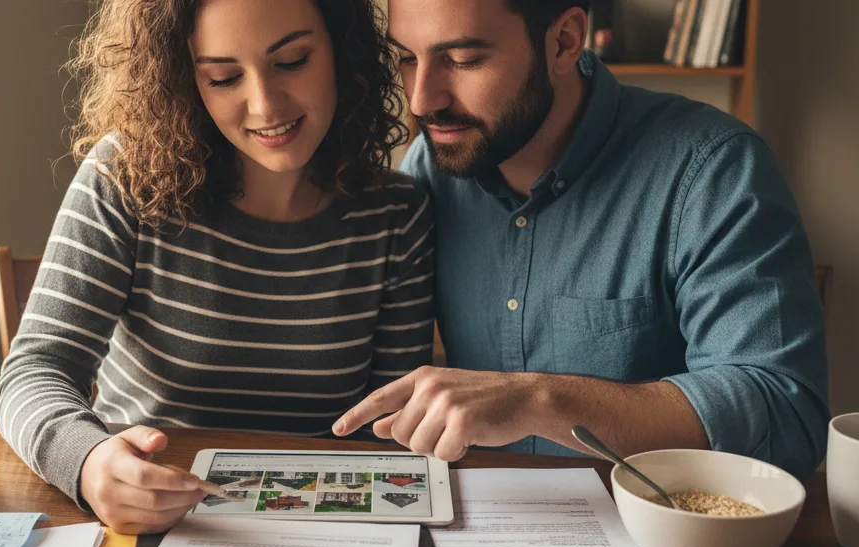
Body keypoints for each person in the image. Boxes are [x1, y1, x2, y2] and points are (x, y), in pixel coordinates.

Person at [334, 0, 829, 479]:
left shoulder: (711, 169)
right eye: (405, 57)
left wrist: (541, 401)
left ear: (563, 42)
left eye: (463, 60)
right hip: (482, 526)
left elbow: (786, 416)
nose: (422, 100)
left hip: (659, 543)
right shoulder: (430, 168)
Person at [0, 0, 434, 534]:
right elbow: (35, 370)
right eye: (224, 77)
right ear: (185, 81)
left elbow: (389, 432)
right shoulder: (125, 179)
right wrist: (89, 463)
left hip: (324, 532)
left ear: (343, 51)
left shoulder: (396, 214)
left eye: (292, 61)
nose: (265, 105)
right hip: (154, 522)